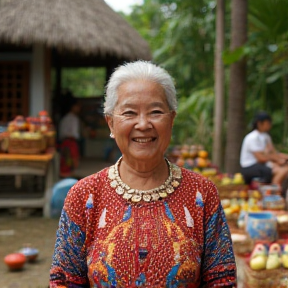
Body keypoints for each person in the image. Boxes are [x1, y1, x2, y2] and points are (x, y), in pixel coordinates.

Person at [50, 61, 237, 287]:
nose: (143, 124)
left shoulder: (202, 194)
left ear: (172, 119)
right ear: (110, 123)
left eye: (156, 112)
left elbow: (222, 280)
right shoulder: (84, 196)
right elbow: (64, 281)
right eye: (129, 112)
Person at [240, 111, 288, 188]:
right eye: (267, 123)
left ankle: (276, 191)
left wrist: (283, 158)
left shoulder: (266, 137)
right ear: (259, 123)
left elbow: (274, 153)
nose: (270, 125)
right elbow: (261, 158)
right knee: (279, 170)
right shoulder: (252, 137)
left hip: (262, 164)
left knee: (285, 168)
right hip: (250, 167)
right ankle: (272, 192)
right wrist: (276, 159)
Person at [58, 95, 81, 178]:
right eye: (77, 106)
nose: (79, 108)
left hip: (66, 142)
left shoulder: (65, 118)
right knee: (71, 162)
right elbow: (74, 133)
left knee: (66, 163)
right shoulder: (72, 119)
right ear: (73, 107)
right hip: (70, 142)